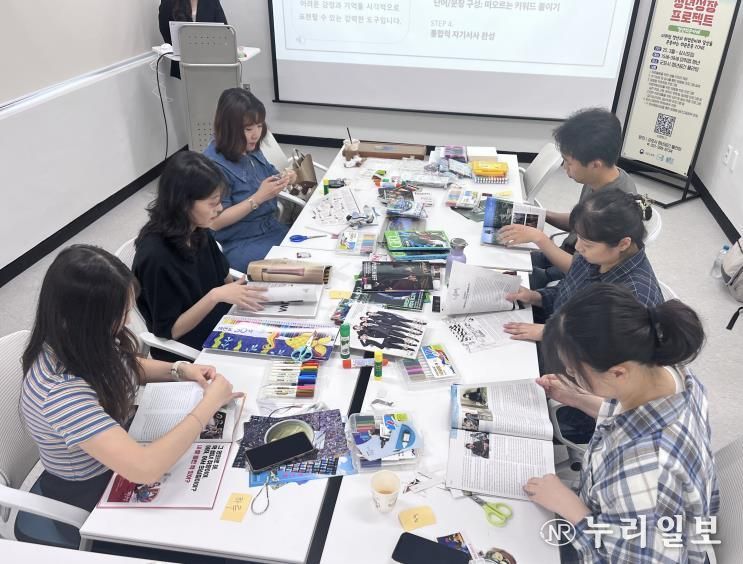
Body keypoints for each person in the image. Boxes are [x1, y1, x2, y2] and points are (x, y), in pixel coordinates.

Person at [19, 245, 241, 534]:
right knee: (207, 526)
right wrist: (207, 406)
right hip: (92, 495)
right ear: (86, 318)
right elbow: (145, 468)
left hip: (121, 446)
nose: (126, 321)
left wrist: (179, 370)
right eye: (120, 314)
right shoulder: (59, 392)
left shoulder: (78, 338)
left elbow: (124, 365)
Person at [523, 284, 718, 564]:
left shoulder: (646, 474)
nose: (570, 375)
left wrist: (572, 509)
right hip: (625, 516)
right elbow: (631, 419)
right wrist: (578, 397)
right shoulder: (667, 372)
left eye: (575, 371)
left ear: (617, 373)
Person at [133, 151, 267, 360]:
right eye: (213, 203)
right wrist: (215, 296)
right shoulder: (155, 257)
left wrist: (244, 296)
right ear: (183, 203)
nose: (220, 209)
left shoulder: (197, 229)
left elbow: (225, 279)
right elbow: (170, 331)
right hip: (189, 347)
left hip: (223, 322)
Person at [502, 189, 663, 343]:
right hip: (556, 327)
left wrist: (551, 333)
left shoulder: (635, 298)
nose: (578, 247)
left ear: (623, 244)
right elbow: (567, 292)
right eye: (578, 237)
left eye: (587, 244)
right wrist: (535, 297)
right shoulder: (600, 256)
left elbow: (606, 350)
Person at [504, 108, 637, 290]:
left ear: (595, 164)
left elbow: (584, 271)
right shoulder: (599, 178)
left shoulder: (615, 206)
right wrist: (541, 214)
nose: (564, 167)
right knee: (504, 255)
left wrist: (540, 239)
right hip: (566, 254)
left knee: (506, 278)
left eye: (569, 162)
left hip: (573, 275)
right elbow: (580, 222)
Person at [204, 88, 298, 271]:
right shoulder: (213, 166)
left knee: (312, 251)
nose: (256, 134)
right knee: (300, 268)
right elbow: (215, 222)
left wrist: (286, 177)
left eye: (260, 126)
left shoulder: (249, 148)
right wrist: (258, 198)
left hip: (270, 227)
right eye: (248, 129)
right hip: (240, 242)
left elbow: (270, 174)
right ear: (229, 128)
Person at [158, 0, 227, 78]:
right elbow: (165, 30)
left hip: (210, 61)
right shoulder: (168, 2)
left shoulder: (212, 2)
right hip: (182, 62)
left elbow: (224, 30)